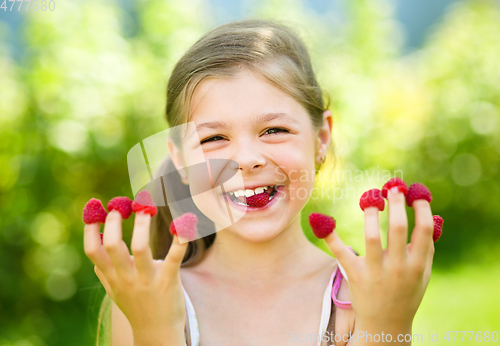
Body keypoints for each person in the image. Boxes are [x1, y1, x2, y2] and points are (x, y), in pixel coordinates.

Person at [83, 19, 435, 346]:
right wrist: (157, 331)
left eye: (275, 130)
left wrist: (387, 327)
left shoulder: (365, 294)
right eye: (213, 138)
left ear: (321, 137)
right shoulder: (147, 296)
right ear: (180, 161)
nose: (247, 158)